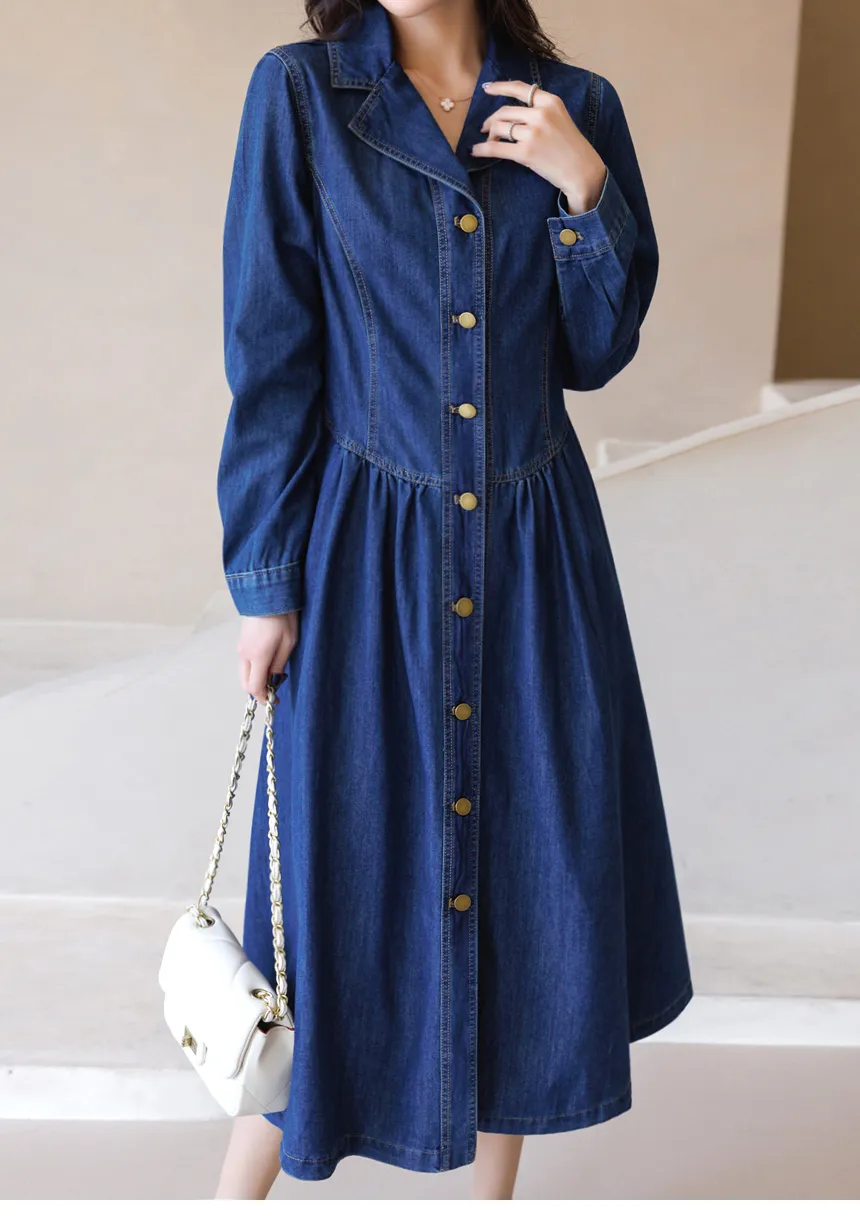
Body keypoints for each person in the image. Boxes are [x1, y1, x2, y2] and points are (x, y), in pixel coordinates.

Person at [214, 0, 692, 1200]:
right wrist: (265, 581)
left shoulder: (575, 108)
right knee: (324, 887)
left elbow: (594, 351)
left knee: (525, 865)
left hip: (536, 560)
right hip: (358, 562)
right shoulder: (301, 95)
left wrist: (584, 192)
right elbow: (270, 351)